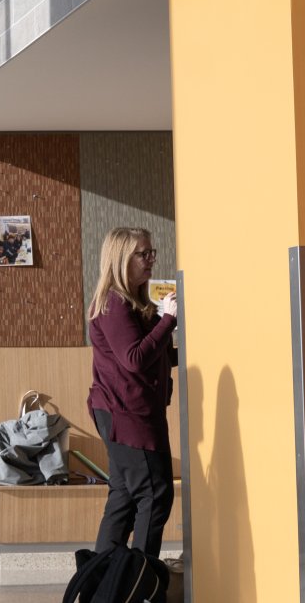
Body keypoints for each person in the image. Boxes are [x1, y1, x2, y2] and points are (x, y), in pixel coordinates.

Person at [86, 227, 179, 557]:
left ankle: (105, 582)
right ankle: (139, 579)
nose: (151, 259)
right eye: (143, 254)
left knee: (124, 497)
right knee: (154, 496)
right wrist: (168, 320)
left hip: (126, 412)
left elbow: (149, 353)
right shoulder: (114, 303)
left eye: (151, 252)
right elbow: (135, 358)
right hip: (126, 414)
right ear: (122, 259)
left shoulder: (132, 303)